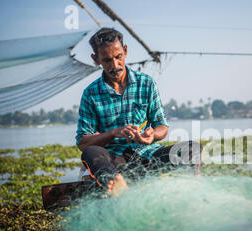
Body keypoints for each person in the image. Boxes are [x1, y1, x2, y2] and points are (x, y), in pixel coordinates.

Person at [76, 28, 202, 196]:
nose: (115, 65)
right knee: (91, 152)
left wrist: (152, 135)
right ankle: (117, 187)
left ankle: (191, 189)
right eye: (107, 60)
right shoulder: (91, 93)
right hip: (115, 160)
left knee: (192, 149)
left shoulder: (146, 83)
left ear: (125, 51)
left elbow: (162, 126)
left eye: (118, 57)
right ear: (96, 59)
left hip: (147, 155)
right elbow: (83, 142)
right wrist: (114, 133)